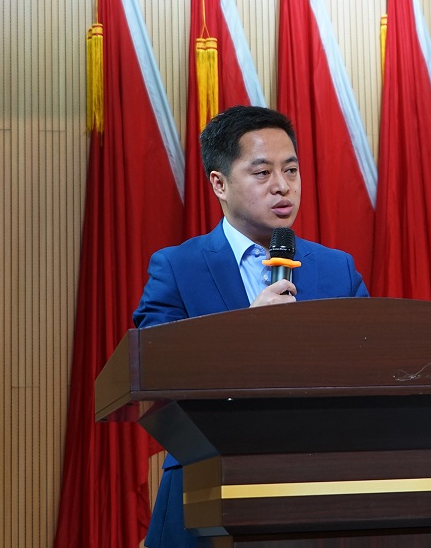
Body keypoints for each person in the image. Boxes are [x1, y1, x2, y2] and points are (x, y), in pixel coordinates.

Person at [132, 105, 370, 547]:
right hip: (205, 489)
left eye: (291, 170)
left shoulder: (336, 269)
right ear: (219, 184)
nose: (283, 186)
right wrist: (244, 334)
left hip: (320, 492)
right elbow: (153, 367)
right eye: (263, 173)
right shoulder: (178, 267)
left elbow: (372, 368)